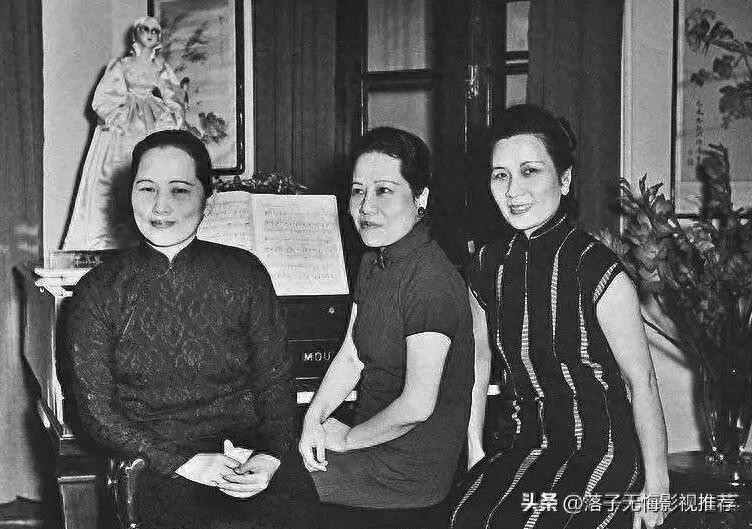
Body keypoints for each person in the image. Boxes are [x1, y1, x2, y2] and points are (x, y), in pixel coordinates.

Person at [65, 129, 318, 529]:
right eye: (147, 188)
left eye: (179, 190)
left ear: (207, 199)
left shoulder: (245, 273)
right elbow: (97, 415)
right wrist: (188, 463)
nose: (160, 206)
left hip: (247, 455)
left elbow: (276, 380)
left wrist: (270, 456)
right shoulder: (97, 290)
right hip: (154, 461)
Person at [450, 104, 670, 529]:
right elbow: (478, 362)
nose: (513, 190)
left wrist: (657, 485)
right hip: (525, 445)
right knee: (466, 516)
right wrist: (475, 450)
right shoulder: (486, 265)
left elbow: (640, 380)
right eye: (500, 175)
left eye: (530, 171)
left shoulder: (598, 269)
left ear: (564, 180)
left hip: (603, 450)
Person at [298, 127, 474, 514]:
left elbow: (417, 406)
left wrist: (346, 440)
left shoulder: (431, 280)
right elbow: (351, 357)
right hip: (370, 442)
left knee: (268, 488)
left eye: (384, 191)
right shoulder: (373, 261)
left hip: (406, 471)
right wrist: (314, 418)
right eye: (358, 191)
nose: (366, 207)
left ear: (421, 197)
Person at [63, 16, 185, 250]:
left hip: (151, 121)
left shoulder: (161, 67)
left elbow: (175, 97)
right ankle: (107, 241)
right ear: (136, 34)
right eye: (146, 29)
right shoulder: (122, 64)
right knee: (115, 175)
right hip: (124, 124)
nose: (151, 34)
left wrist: (169, 117)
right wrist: (117, 116)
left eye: (155, 31)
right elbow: (104, 98)